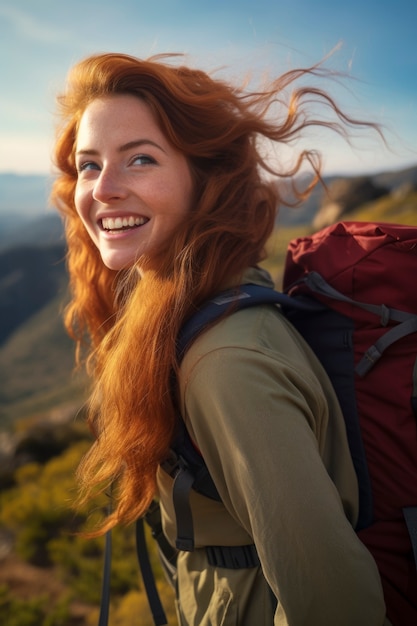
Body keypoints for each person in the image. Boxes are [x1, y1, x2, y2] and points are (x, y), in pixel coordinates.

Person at [51, 52, 390, 625]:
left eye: (140, 158)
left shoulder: (226, 363)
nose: (103, 188)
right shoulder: (204, 297)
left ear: (205, 181)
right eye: (89, 164)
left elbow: (337, 607)